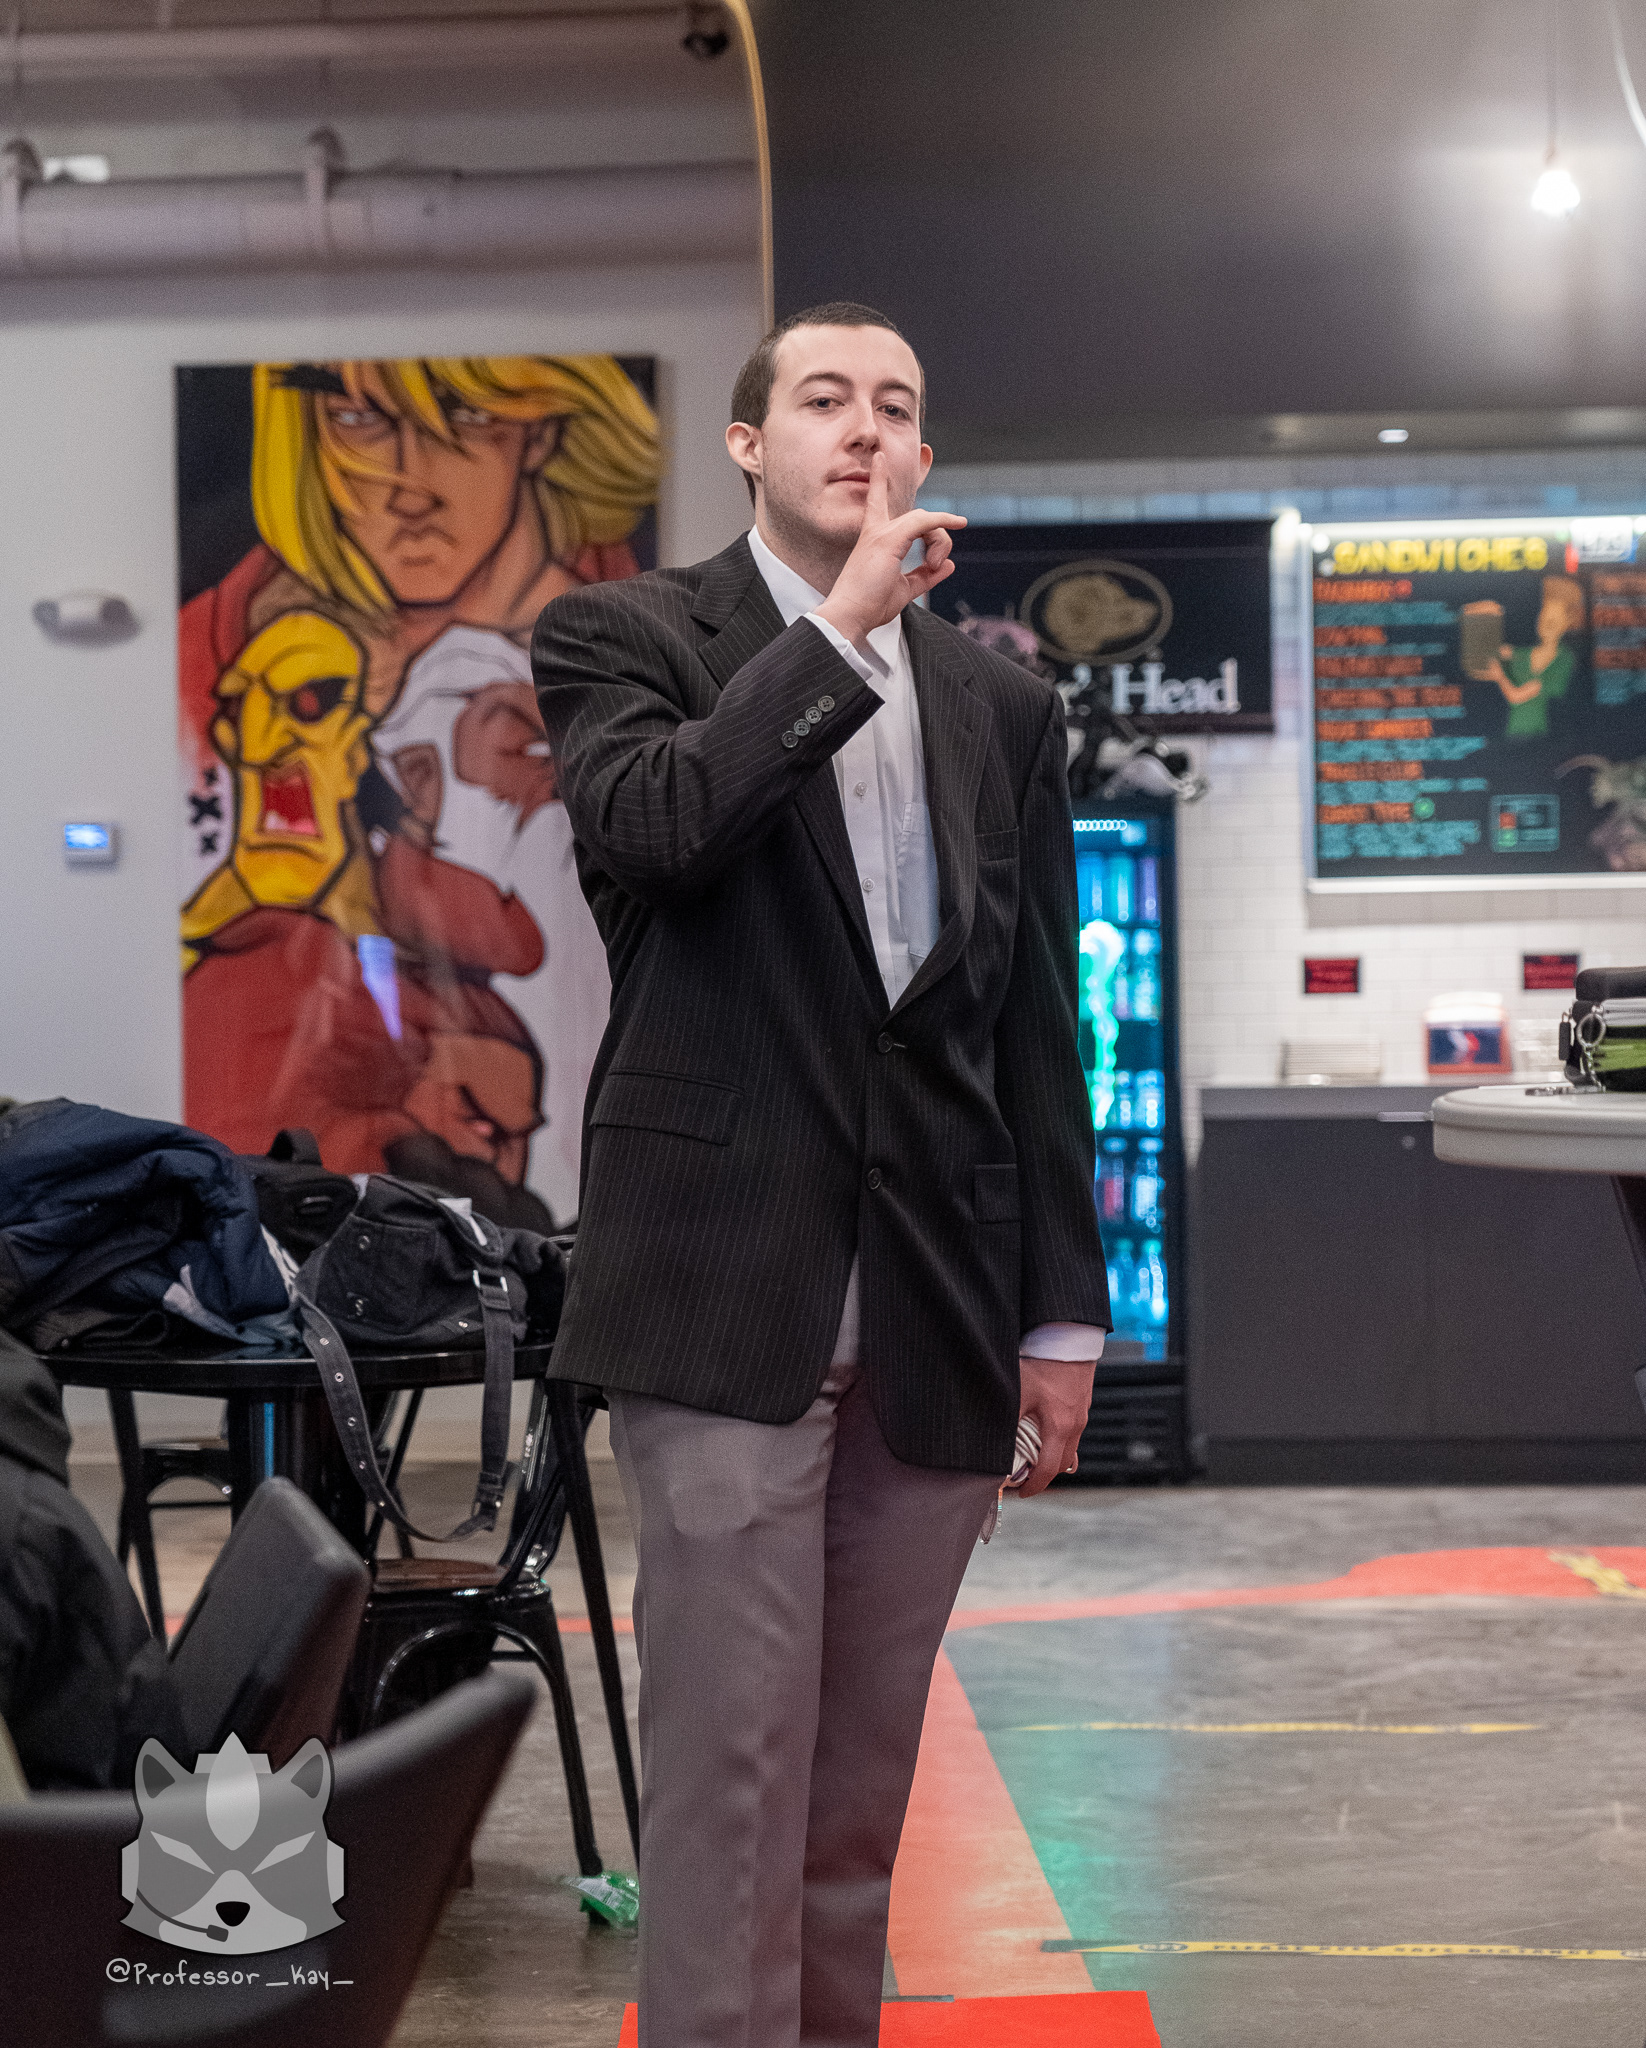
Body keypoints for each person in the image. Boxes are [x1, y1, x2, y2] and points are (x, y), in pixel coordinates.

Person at [532, 303, 1110, 2047]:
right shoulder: (626, 636)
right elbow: (655, 830)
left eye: (896, 405)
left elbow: (1035, 1021)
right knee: (727, 1787)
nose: (865, 428)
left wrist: (1064, 1316)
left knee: (856, 1802)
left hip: (938, 1302)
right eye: (825, 398)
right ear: (748, 442)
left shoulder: (1003, 705)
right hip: (722, 1290)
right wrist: (841, 629)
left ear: (924, 452)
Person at [1464, 573, 1586, 741]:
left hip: (1539, 737)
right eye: (1544, 616)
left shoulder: (1564, 659)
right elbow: (1488, 657)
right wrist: (1484, 618)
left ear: (1568, 623)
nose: (1547, 624)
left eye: (1554, 621)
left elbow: (1516, 697)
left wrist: (1500, 677)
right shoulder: (1523, 653)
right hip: (1512, 734)